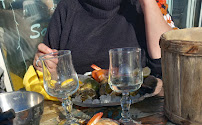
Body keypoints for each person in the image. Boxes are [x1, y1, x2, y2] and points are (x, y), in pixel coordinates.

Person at [33, 0, 174, 76]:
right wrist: (45, 66)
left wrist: (147, 2)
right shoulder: (67, 7)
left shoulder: (143, 5)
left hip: (142, 113)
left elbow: (166, 63)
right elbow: (49, 63)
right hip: (81, 114)